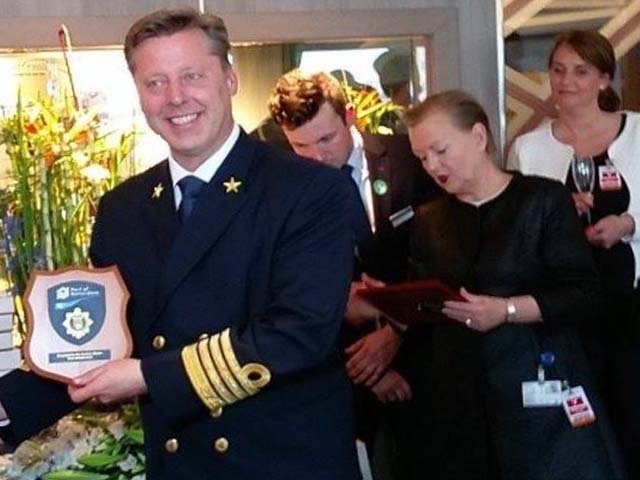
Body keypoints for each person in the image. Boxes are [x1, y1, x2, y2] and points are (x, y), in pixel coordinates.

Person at [0, 8, 362, 479]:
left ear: (230, 79)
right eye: (155, 83)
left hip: (284, 464)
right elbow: (100, 343)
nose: (175, 98)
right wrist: (7, 406)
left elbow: (298, 334)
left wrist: (149, 376)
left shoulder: (310, 191)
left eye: (192, 76)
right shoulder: (122, 209)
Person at [401, 89, 626, 479]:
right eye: (422, 157)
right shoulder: (429, 219)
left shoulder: (541, 199)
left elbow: (584, 294)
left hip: (537, 394)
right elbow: (425, 306)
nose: (432, 165)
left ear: (478, 136)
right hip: (461, 401)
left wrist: (505, 310)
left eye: (440, 150)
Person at [267, 68, 442, 471]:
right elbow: (290, 292)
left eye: (326, 139)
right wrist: (368, 370)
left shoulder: (410, 158)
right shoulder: (283, 193)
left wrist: (396, 335)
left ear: (350, 117)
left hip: (431, 360)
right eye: (301, 146)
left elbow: (448, 261)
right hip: (343, 373)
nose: (317, 156)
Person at [508, 30, 640, 477]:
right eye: (558, 70)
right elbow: (519, 231)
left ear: (605, 78)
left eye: (581, 71)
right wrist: (560, 218)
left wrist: (629, 224)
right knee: (579, 423)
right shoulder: (529, 148)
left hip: (632, 306)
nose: (566, 81)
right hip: (566, 312)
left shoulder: (639, 133)